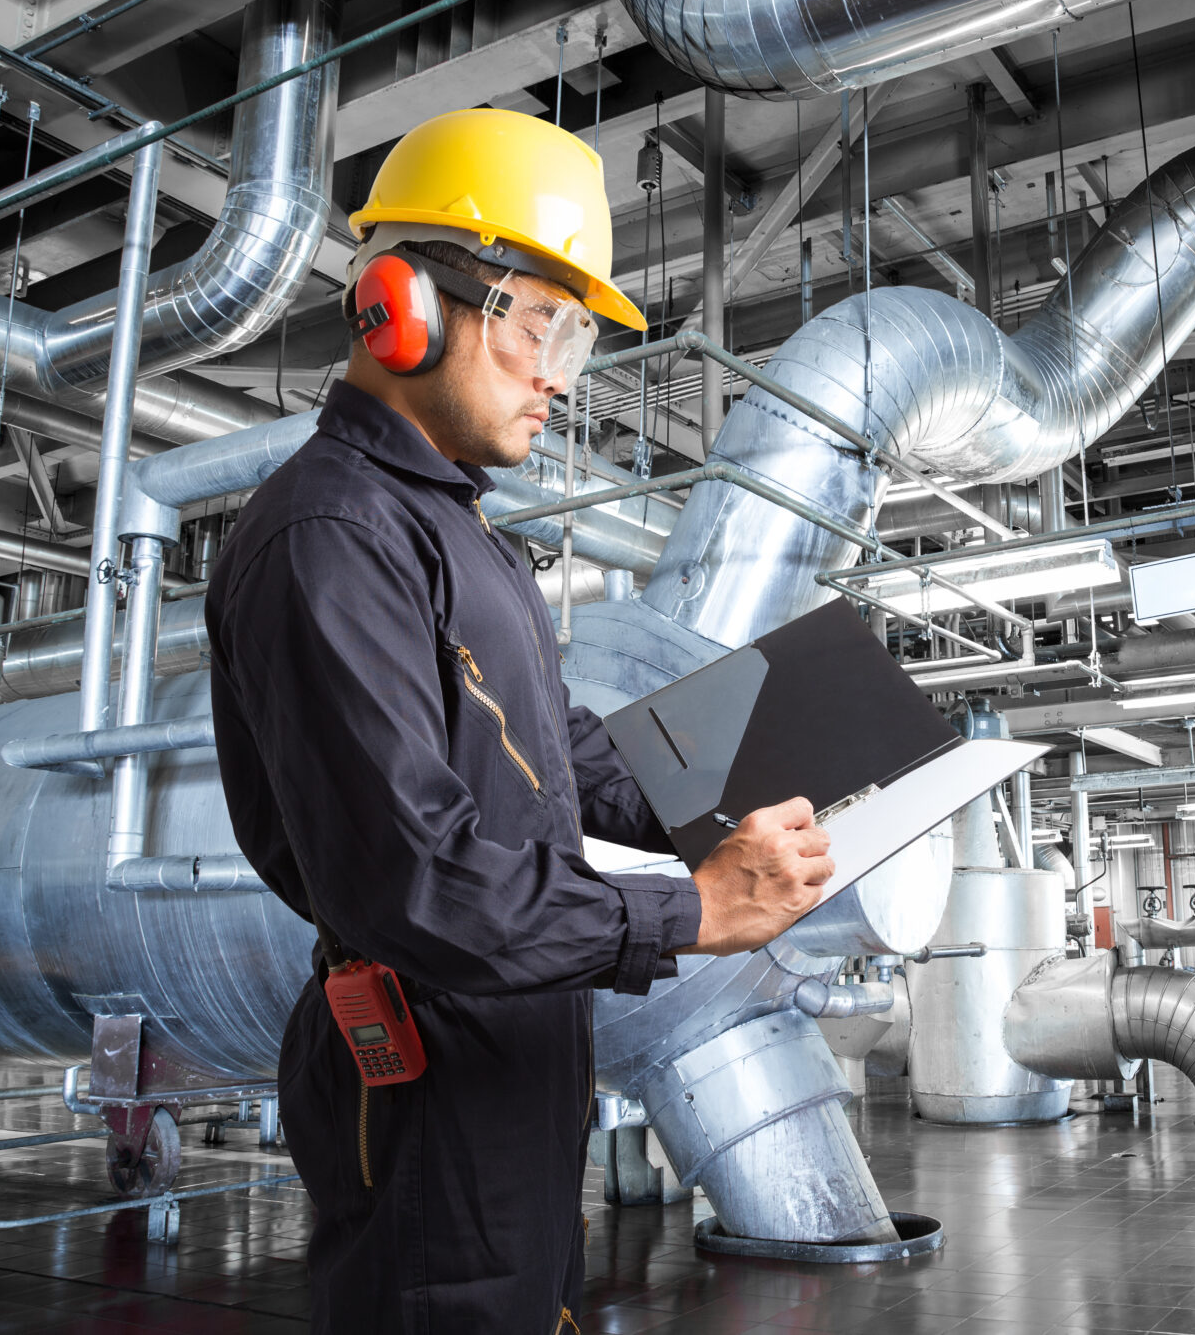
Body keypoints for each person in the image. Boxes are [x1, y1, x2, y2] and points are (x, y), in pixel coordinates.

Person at [204, 109, 835, 1335]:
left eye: (577, 341)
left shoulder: (456, 532)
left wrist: (777, 757)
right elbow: (413, 879)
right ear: (403, 305)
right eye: (538, 324)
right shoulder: (332, 534)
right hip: (429, 1056)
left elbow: (557, 758)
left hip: (518, 1041)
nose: (558, 376)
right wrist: (693, 908)